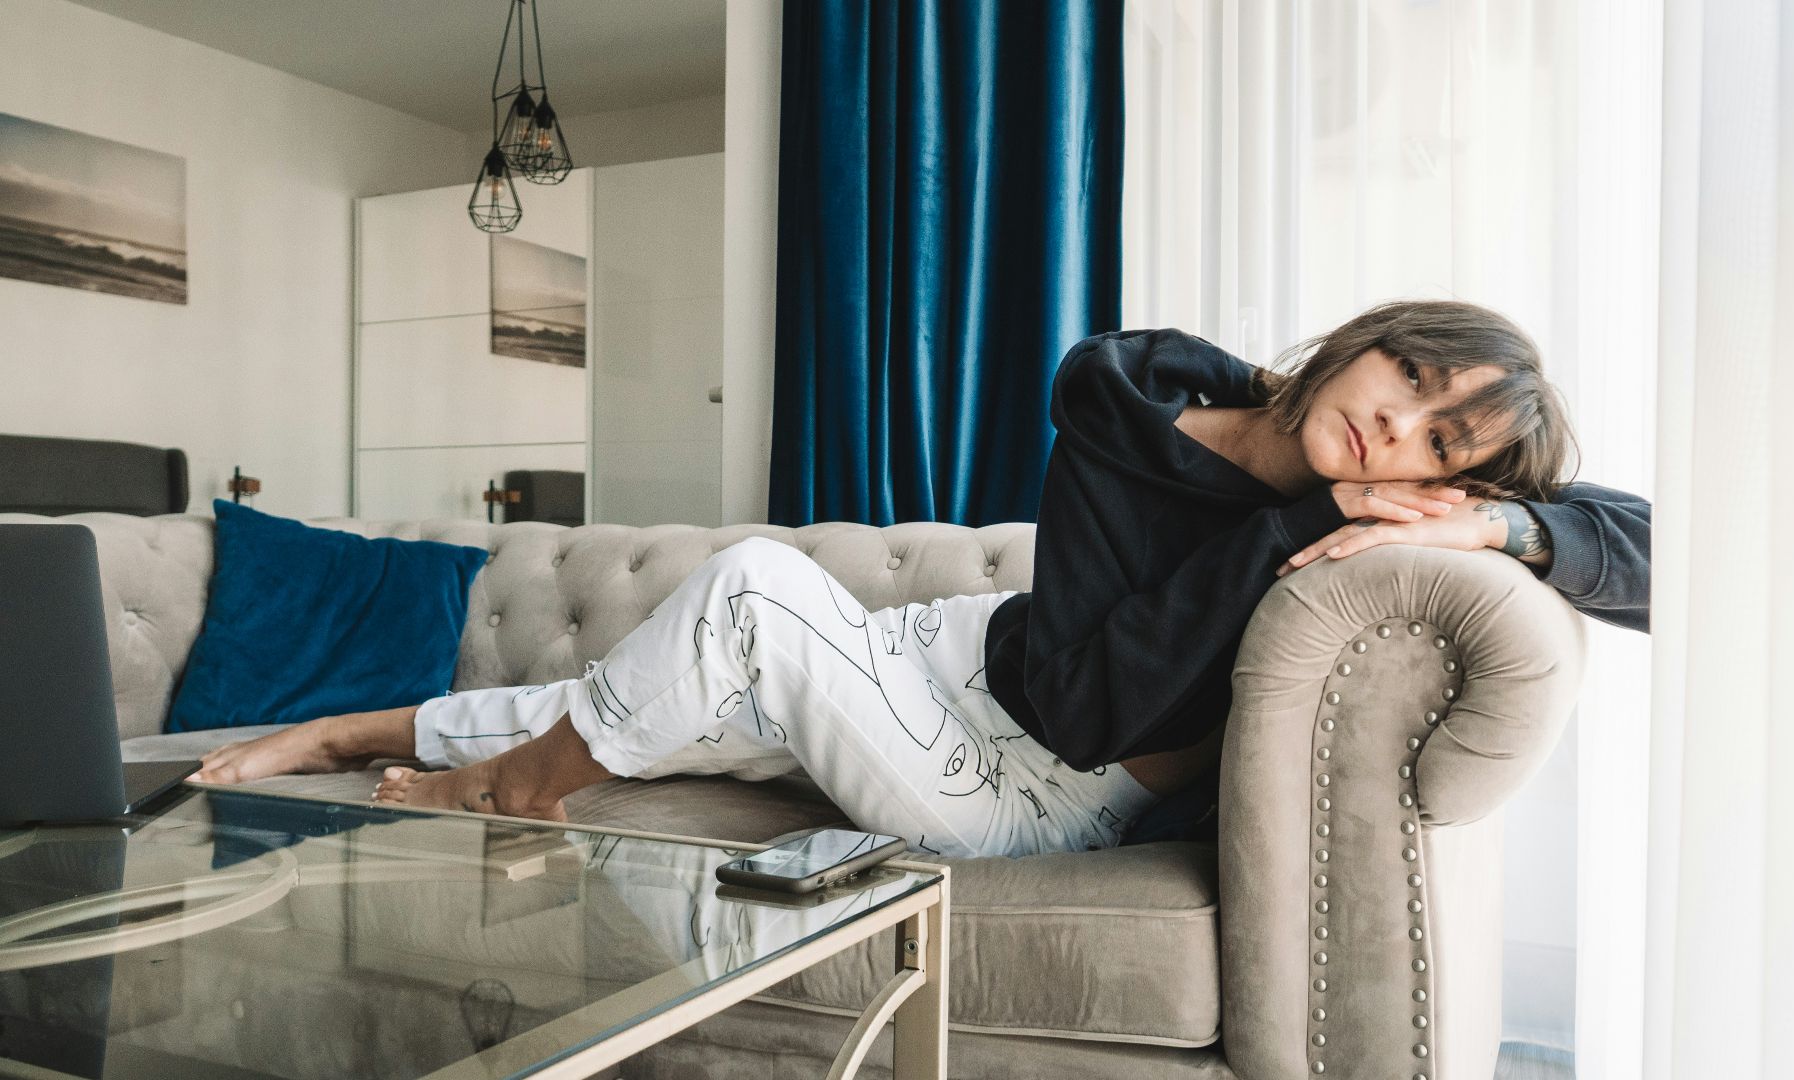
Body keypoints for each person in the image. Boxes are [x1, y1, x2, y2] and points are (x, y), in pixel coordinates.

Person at [191, 299, 1651, 859]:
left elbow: (1654, 549)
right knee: (661, 693)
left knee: (749, 595)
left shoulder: (1346, 531)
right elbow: (1067, 638)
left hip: (1030, 784)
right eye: (1407, 377)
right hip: (962, 666)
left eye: (1440, 441)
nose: (1396, 425)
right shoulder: (1131, 401)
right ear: (1366, 338)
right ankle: (346, 733)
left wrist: (1503, 532)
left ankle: (504, 791)